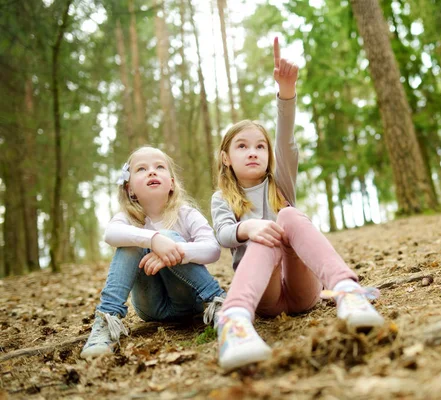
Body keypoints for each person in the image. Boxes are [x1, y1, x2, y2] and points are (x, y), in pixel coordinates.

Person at [211, 37, 384, 371]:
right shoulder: (223, 198)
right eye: (242, 146)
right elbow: (222, 234)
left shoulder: (280, 182)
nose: (253, 152)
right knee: (266, 231)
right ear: (226, 158)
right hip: (264, 293)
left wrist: (286, 92)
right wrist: (249, 227)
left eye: (260, 147)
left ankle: (347, 290)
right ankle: (234, 321)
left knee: (287, 214)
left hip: (302, 291)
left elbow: (286, 138)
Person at [80, 146, 226, 359]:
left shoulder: (186, 214)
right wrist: (154, 240)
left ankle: (220, 306)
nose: (152, 171)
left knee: (170, 237)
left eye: (159, 167)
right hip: (151, 307)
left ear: (172, 183)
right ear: (130, 189)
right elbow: (111, 233)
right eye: (141, 169)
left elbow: (213, 249)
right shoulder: (127, 218)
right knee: (130, 240)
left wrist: (172, 251)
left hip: (189, 299)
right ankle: (106, 320)